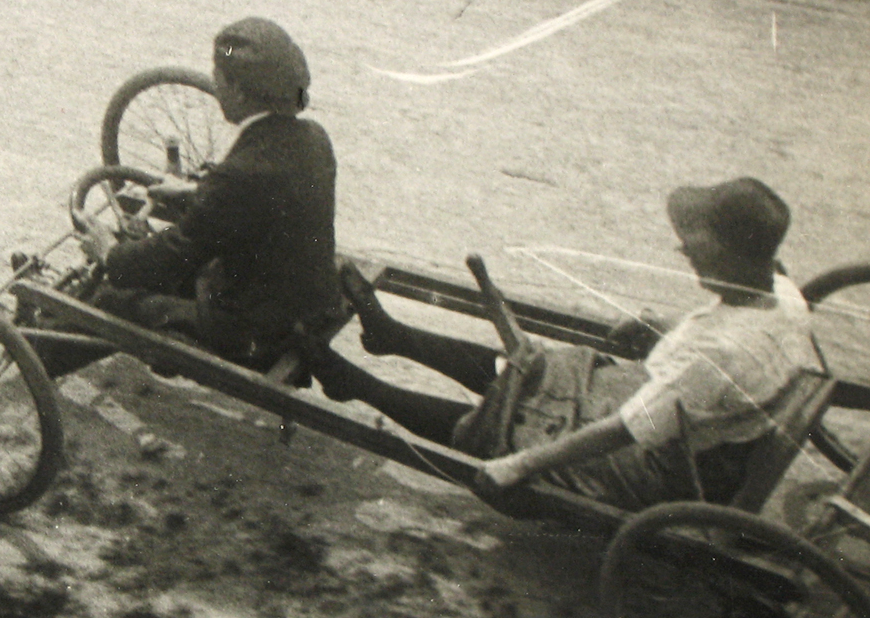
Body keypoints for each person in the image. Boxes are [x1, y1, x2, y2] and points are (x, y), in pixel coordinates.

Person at [313, 178, 815, 509]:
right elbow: (729, 339)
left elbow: (626, 431)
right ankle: (395, 336)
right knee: (538, 371)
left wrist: (519, 464)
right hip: (695, 427)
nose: (680, 248)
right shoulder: (785, 295)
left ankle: (353, 382)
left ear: (726, 252)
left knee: (506, 428)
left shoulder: (716, 357)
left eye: (696, 241)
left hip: (660, 468)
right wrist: (660, 327)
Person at [38, 18, 340, 374]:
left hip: (255, 334)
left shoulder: (239, 175)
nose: (215, 85)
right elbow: (261, 198)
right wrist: (197, 191)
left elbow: (175, 252)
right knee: (161, 271)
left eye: (220, 79)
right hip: (300, 304)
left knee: (114, 299)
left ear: (240, 92)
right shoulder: (312, 138)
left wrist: (110, 254)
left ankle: (34, 355)